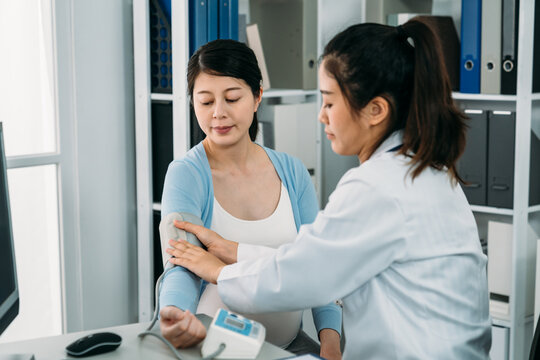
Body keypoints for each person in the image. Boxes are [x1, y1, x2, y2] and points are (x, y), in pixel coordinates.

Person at [166, 18, 492, 359]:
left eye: (330, 103)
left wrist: (219, 270)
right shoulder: (430, 172)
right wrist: (236, 252)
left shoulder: (375, 187)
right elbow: (317, 259)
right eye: (205, 101)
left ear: (376, 110)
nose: (321, 116)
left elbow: (305, 273)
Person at [158, 39, 342, 359]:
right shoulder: (186, 174)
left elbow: (318, 265)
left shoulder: (292, 172)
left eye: (232, 98)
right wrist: (175, 312)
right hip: (214, 347)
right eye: (205, 102)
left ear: (257, 97)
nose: (218, 113)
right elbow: (182, 264)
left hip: (289, 347)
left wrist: (331, 342)